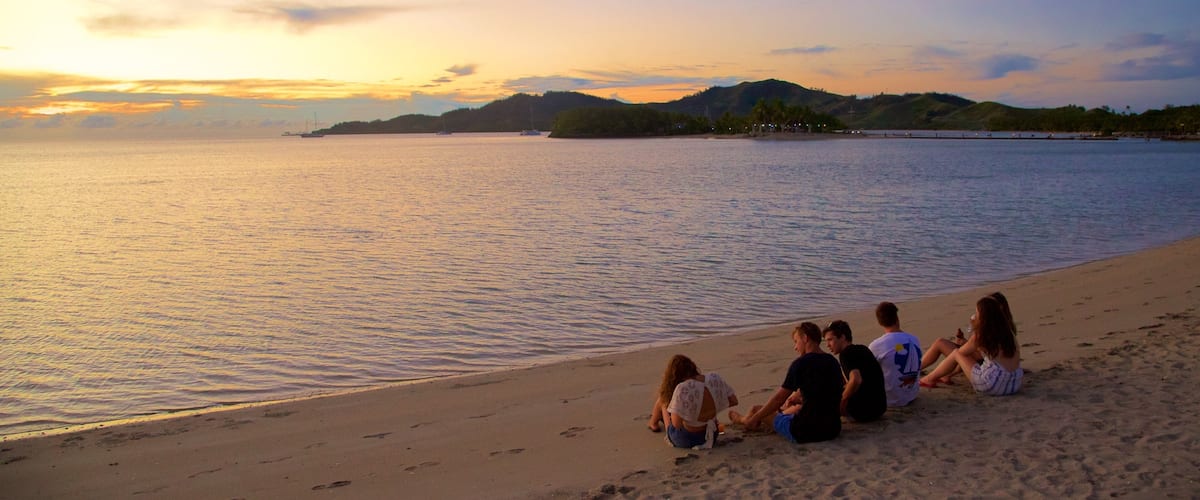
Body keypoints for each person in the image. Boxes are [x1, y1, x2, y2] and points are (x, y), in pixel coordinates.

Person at [728, 322, 844, 443]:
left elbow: (778, 399)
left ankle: (744, 420)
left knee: (757, 410)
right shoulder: (833, 362)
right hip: (832, 429)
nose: (795, 347)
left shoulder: (800, 364)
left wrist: (755, 418)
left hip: (804, 431)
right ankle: (748, 419)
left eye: (796, 341)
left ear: (805, 338)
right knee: (792, 410)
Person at [920, 296, 1023, 395]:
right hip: (1014, 383)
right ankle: (943, 376)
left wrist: (974, 327)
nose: (975, 315)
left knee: (956, 353)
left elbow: (962, 352)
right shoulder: (1008, 333)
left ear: (983, 316)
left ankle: (928, 379)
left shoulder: (982, 335)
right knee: (959, 353)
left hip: (993, 385)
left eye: (977, 313)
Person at [647, 354, 738, 448]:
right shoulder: (714, 377)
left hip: (687, 439)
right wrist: (710, 411)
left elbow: (676, 424)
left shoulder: (683, 388)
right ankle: (654, 422)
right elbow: (734, 401)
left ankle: (653, 423)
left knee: (662, 400)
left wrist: (690, 415)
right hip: (712, 434)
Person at [822, 320, 886, 422]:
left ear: (842, 337)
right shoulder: (863, 349)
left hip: (863, 412)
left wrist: (843, 402)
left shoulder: (845, 354)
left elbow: (856, 380)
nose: (828, 345)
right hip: (880, 408)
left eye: (830, 340)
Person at [868, 302, 923, 407]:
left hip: (890, 399)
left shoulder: (877, 345)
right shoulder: (914, 339)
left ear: (879, 322)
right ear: (897, 318)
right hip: (911, 394)